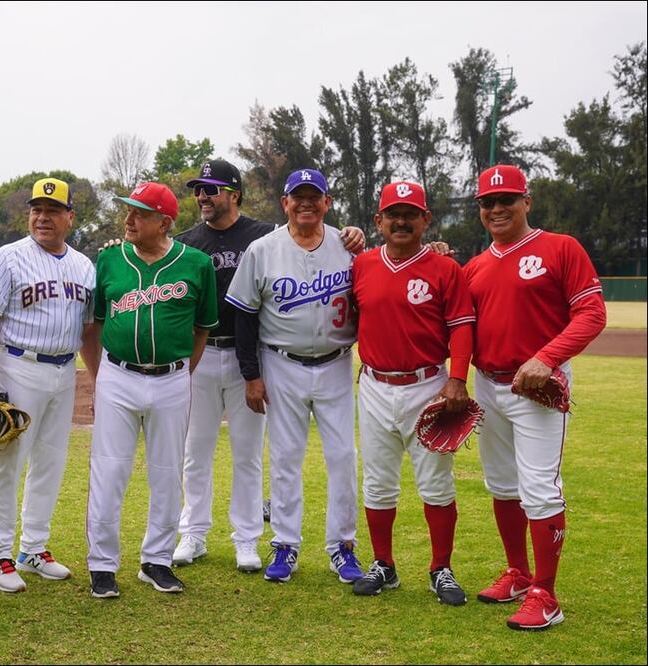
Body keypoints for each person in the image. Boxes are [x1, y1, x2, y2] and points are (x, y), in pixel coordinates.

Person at [172, 160, 365, 572]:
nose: (203, 196)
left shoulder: (283, 238)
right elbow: (233, 310)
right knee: (206, 452)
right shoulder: (193, 243)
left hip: (309, 360)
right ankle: (206, 534)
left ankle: (302, 543)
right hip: (228, 356)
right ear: (286, 202)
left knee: (318, 455)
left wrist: (360, 235)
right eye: (199, 189)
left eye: (212, 188)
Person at [464, 164, 606, 631]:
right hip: (488, 383)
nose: (497, 208)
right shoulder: (475, 267)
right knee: (502, 485)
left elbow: (591, 313)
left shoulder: (560, 248)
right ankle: (519, 574)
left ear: (527, 201)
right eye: (488, 202)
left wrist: (547, 357)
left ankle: (546, 593)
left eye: (507, 199)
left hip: (539, 388)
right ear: (480, 210)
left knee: (539, 488)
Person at [225, 168, 364, 586]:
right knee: (286, 457)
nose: (306, 203)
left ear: (327, 202)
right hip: (281, 362)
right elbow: (244, 316)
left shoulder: (348, 246)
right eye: (297, 197)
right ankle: (285, 544)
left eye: (313, 196)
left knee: (343, 457)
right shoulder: (263, 249)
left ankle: (343, 547)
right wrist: (251, 375)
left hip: (337, 361)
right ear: (284, 203)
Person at [85, 182, 218, 598]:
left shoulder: (196, 264)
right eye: (128, 211)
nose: (128, 219)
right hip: (117, 376)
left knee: (166, 473)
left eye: (138, 213)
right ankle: (102, 565)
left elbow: (202, 330)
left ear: (164, 222)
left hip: (173, 378)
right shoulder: (108, 259)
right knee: (109, 471)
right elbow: (95, 325)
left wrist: (180, 371)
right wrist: (100, 375)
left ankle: (156, 561)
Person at [0, 178, 98, 592]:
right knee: (10, 462)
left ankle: (33, 549)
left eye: (53, 210)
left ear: (70, 218)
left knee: (51, 462)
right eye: (36, 209)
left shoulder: (84, 265)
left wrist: (96, 379)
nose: (42, 217)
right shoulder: (9, 257)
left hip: (63, 370)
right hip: (19, 366)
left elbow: (90, 329)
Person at [350, 181, 475, 605]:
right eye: (393, 213)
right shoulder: (362, 265)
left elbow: (461, 325)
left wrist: (456, 379)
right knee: (378, 483)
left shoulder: (446, 269)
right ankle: (384, 564)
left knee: (436, 484)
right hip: (374, 385)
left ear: (426, 219)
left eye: (411, 213)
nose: (401, 221)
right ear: (378, 221)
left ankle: (441, 567)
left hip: (428, 385)